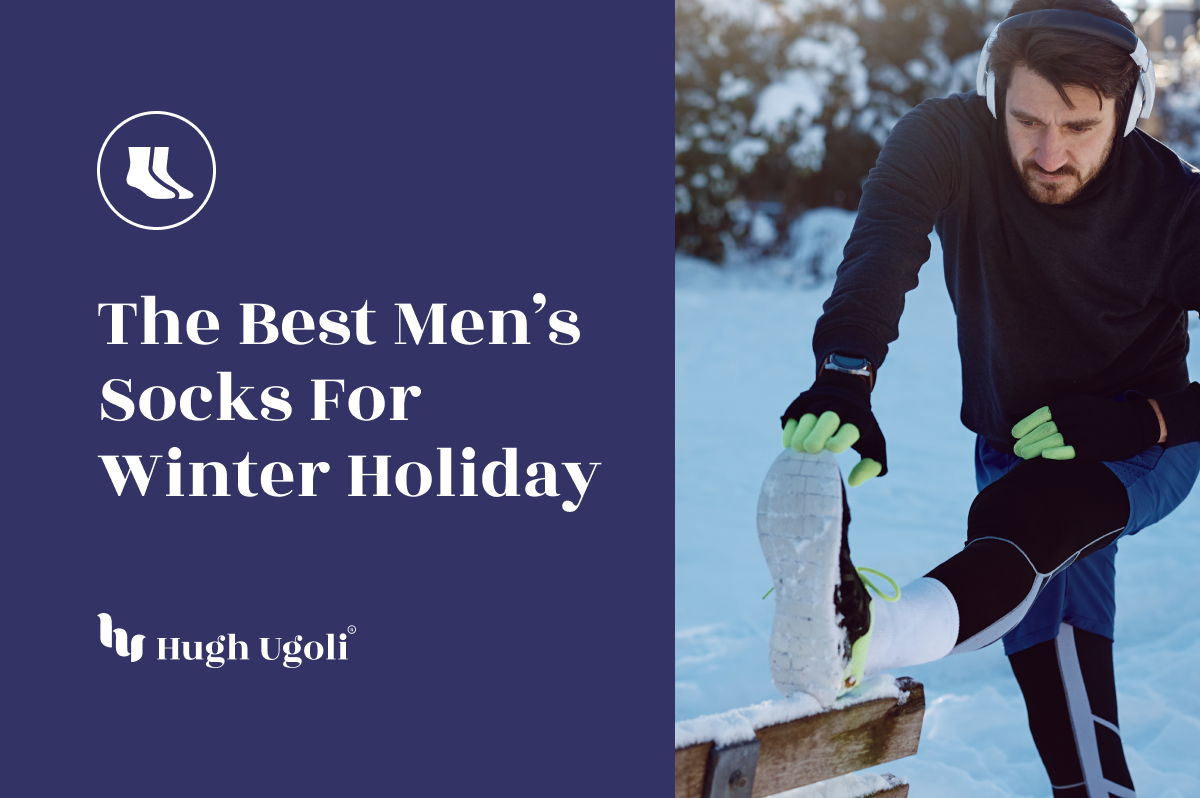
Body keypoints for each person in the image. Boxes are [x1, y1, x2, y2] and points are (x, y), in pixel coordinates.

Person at [760, 1, 1200, 796]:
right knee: (1051, 652)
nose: (1048, 152)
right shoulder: (949, 140)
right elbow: (883, 244)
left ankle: (862, 630)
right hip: (1011, 441)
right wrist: (845, 377)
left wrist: (1146, 417)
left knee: (1024, 522)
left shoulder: (1175, 210)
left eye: (1078, 127)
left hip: (1146, 443)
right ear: (994, 94)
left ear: (1128, 112)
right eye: (1027, 120)